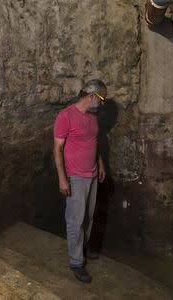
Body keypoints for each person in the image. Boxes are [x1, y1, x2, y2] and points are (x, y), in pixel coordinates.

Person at [53, 79, 107, 283]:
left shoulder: (93, 117)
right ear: (92, 96)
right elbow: (57, 149)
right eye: (102, 99)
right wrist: (62, 179)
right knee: (75, 220)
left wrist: (100, 163)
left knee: (89, 216)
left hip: (91, 174)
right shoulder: (65, 116)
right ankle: (76, 262)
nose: (102, 104)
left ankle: (82, 249)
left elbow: (94, 141)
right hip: (75, 177)